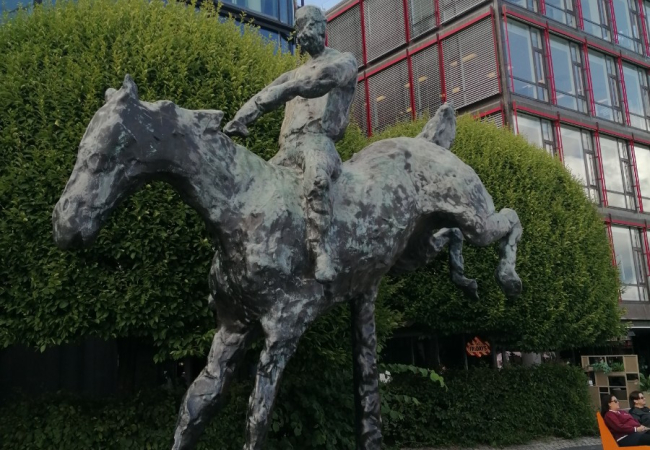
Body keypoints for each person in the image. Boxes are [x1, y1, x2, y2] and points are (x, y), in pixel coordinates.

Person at [223, 5, 358, 283]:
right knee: (255, 189)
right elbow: (264, 95)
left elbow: (320, 81)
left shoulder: (344, 61)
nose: (303, 33)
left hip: (317, 143)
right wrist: (240, 119)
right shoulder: (293, 74)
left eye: (308, 25)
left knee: (317, 179)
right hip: (287, 149)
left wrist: (286, 90)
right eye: (300, 28)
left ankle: (320, 249)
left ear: (322, 27)